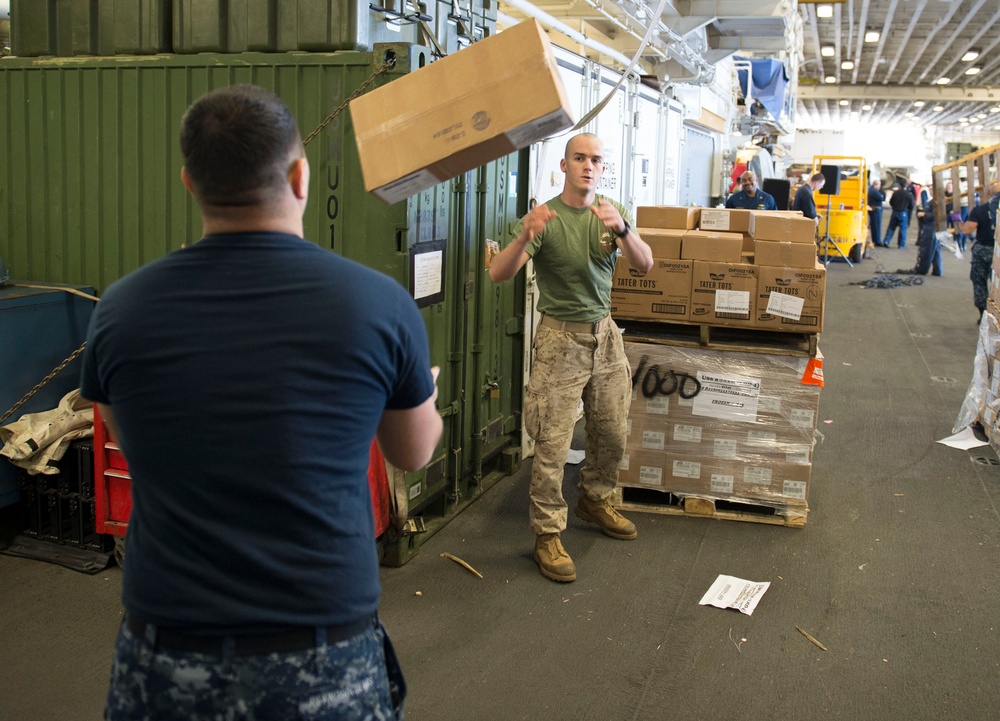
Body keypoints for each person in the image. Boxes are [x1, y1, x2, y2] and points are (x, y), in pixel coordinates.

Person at [79, 85, 443, 720]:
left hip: (166, 655)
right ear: (300, 176)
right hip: (321, 652)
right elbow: (412, 451)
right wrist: (423, 389)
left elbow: (130, 436)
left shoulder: (122, 310)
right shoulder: (377, 305)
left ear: (190, 182)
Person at [488, 132, 653, 584]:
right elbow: (499, 274)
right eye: (579, 158)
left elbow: (645, 264)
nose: (588, 166)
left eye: (596, 160)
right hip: (560, 343)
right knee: (553, 445)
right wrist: (525, 235)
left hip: (605, 336)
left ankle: (596, 499)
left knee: (611, 432)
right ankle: (546, 534)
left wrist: (622, 229)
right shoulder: (545, 218)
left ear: (603, 169)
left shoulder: (611, 213)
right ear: (564, 166)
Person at [963, 181, 1000, 323]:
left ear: (989, 193)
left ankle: (983, 313)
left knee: (979, 281)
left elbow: (967, 230)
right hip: (998, 251)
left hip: (983, 249)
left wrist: (959, 221)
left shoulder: (980, 210)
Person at [912, 191, 943, 277]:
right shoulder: (936, 201)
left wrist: (924, 214)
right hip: (934, 227)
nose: (930, 191)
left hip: (931, 227)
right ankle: (938, 270)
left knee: (928, 249)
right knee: (936, 250)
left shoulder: (936, 202)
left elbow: (935, 215)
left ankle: (923, 269)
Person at [882, 181, 915, 249]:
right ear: (906, 186)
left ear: (899, 186)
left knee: (891, 227)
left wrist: (895, 206)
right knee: (903, 229)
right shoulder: (909, 194)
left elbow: (891, 202)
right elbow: (911, 206)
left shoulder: (895, 193)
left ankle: (886, 241)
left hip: (895, 212)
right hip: (903, 213)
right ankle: (901, 245)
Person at [868, 178, 886, 246]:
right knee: (877, 225)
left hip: (873, 209)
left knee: (874, 225)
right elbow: (881, 198)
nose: (880, 186)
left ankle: (876, 239)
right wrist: (881, 195)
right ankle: (877, 240)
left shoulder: (870, 190)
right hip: (876, 210)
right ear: (876, 184)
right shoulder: (874, 191)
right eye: (879, 185)